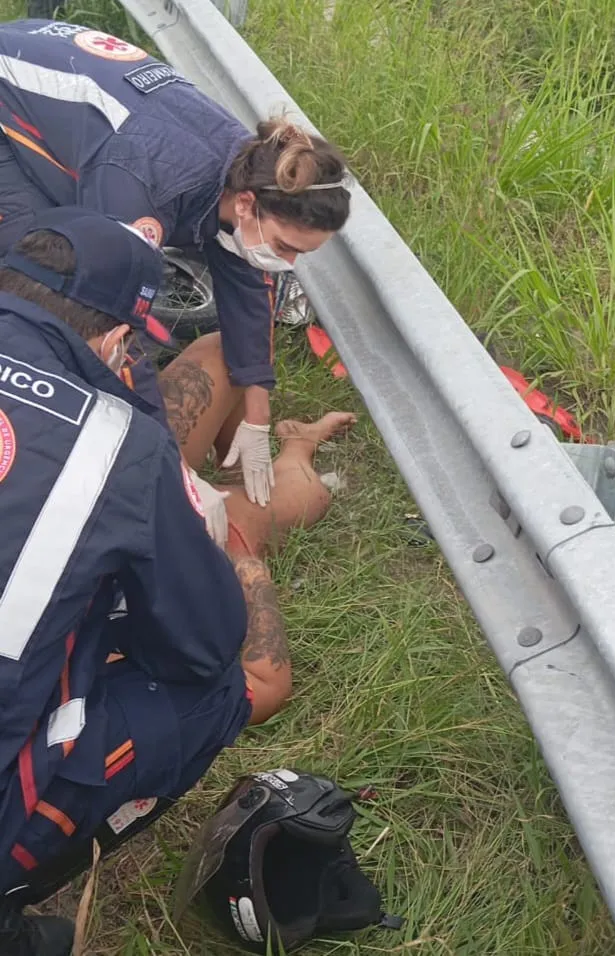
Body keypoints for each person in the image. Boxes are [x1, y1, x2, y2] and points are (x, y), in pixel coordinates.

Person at [0, 207, 354, 956]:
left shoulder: (127, 442)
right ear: (117, 340)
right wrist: (235, 549)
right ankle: (296, 455)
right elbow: (203, 649)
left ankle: (288, 452)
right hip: (162, 503)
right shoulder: (120, 450)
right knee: (236, 681)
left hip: (143, 475)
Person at [0, 17, 352, 508]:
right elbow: (112, 322)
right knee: (37, 271)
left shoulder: (249, 171)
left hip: (65, 91)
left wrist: (258, 414)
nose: (288, 263)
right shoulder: (147, 187)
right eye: (286, 246)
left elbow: (249, 289)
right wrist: (178, 479)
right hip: (10, 99)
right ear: (248, 205)